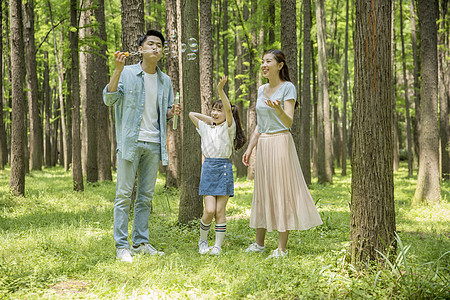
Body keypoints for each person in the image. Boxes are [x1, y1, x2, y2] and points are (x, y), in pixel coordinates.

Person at [103, 29, 181, 262]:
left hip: (154, 143)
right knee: (124, 195)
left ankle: (140, 243)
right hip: (130, 142)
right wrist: (116, 71)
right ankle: (121, 246)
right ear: (140, 49)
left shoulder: (165, 80)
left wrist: (171, 112)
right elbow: (109, 99)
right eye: (151, 44)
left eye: (159, 45)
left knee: (145, 197)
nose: (156, 47)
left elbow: (164, 113)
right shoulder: (126, 73)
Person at [242, 49, 322, 259]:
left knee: (280, 192)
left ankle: (281, 248)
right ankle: (259, 243)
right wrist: (251, 147)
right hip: (264, 144)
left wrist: (278, 109)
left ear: (280, 65)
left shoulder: (288, 88)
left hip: (280, 142)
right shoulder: (261, 90)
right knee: (263, 191)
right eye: (262, 61)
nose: (264, 64)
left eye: (269, 61)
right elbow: (260, 124)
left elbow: (288, 121)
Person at [189, 76, 246, 256]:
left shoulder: (229, 128)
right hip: (208, 168)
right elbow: (192, 114)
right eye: (214, 109)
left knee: (220, 211)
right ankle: (203, 240)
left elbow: (228, 110)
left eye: (218, 111)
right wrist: (211, 120)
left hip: (223, 169)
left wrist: (220, 90)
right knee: (209, 210)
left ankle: (217, 246)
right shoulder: (206, 128)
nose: (215, 112)